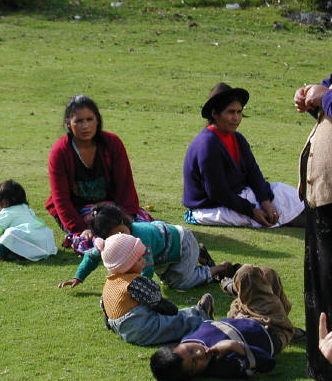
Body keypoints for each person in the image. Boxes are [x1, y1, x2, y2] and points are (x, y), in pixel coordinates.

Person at [183, 82, 304, 227]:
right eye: (230, 112)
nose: (236, 118)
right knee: (279, 206)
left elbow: (253, 173)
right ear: (214, 114)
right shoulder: (207, 143)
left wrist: (265, 201)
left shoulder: (237, 138)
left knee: (282, 192)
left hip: (238, 197)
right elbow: (217, 192)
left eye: (239, 112)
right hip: (212, 207)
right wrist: (251, 211)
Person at [150, 264, 295, 381]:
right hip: (271, 327)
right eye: (195, 363)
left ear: (179, 345)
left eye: (190, 350)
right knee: (247, 274)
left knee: (266, 274)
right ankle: (234, 287)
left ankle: (237, 289)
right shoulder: (221, 365)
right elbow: (267, 363)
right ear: (193, 375)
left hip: (238, 317)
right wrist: (235, 346)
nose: (199, 354)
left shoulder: (187, 340)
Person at [45, 95, 152, 247]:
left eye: (89, 119)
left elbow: (125, 184)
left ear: (97, 120)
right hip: (77, 210)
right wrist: (80, 229)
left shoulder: (112, 143)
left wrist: (128, 216)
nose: (85, 126)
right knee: (100, 237)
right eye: (79, 121)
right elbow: (61, 199)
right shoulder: (60, 152)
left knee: (142, 230)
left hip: (111, 206)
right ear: (68, 124)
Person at [58, 204, 234, 290]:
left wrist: (140, 291)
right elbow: (92, 255)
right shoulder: (111, 243)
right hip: (165, 249)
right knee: (168, 278)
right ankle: (199, 255)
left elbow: (147, 269)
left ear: (124, 221)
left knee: (179, 283)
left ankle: (219, 268)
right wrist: (78, 277)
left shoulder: (140, 238)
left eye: (121, 231)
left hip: (182, 243)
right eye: (113, 237)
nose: (120, 237)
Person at [95, 232, 214, 346]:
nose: (143, 261)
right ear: (126, 265)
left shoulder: (110, 283)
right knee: (172, 322)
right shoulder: (134, 282)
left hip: (122, 330)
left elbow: (105, 307)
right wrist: (170, 309)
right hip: (142, 329)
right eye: (138, 259)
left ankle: (196, 311)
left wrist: (109, 324)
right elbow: (156, 301)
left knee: (166, 319)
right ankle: (200, 317)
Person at [294, 73, 332, 381]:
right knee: (321, 283)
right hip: (322, 197)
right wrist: (312, 98)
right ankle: (323, 363)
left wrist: (326, 97)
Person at [0, 179, 57, 262]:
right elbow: (39, 222)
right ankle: (21, 254)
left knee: (10, 234)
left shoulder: (7, 212)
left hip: (31, 242)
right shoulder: (26, 209)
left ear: (5, 202)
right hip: (45, 245)